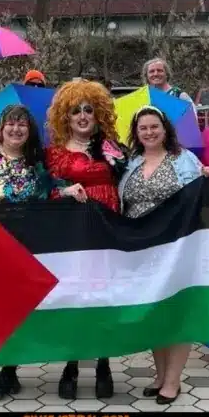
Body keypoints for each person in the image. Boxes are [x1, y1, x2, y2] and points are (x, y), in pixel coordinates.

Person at [0, 104, 81, 401]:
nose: (16, 129)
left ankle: (10, 366)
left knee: (18, 310)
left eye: (23, 124)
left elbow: (50, 191)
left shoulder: (36, 160)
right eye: (11, 123)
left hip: (23, 248)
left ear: (30, 130)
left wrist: (68, 191)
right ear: (1, 127)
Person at [117, 105, 209, 404]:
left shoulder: (184, 159)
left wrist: (208, 177)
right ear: (136, 133)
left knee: (176, 314)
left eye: (154, 127)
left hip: (177, 248)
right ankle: (160, 376)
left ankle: (172, 382)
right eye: (143, 128)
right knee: (155, 313)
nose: (149, 132)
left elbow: (201, 194)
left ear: (165, 130)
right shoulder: (131, 163)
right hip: (142, 249)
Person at [45, 79, 128, 400]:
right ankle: (71, 363)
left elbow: (139, 177)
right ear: (64, 117)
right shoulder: (52, 153)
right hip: (71, 233)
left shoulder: (113, 148)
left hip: (107, 228)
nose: (82, 116)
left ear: (99, 114)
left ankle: (104, 363)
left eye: (88, 110)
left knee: (103, 296)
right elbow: (42, 190)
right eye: (75, 111)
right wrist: (63, 190)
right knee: (74, 296)